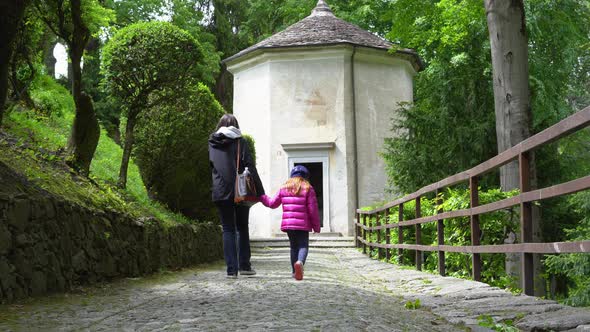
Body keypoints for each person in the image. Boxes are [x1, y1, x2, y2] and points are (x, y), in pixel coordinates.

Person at [208, 114, 264, 278]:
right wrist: (260, 192)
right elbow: (250, 166)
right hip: (240, 190)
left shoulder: (212, 142)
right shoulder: (240, 141)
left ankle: (231, 270)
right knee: (242, 227)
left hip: (221, 189)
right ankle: (245, 266)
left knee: (227, 229)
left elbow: (212, 165)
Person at [260, 165, 321, 280]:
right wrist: (316, 226)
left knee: (293, 247)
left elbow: (272, 203)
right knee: (303, 246)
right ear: (305, 177)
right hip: (302, 224)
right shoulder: (308, 187)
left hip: (289, 225)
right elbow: (313, 209)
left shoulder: (284, 188)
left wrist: (261, 196)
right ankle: (300, 263)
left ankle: (294, 272)